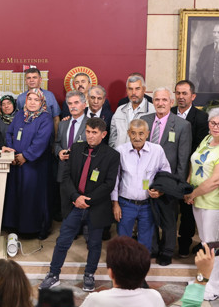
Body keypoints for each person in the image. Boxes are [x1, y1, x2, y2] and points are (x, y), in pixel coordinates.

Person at [40, 117, 120, 292]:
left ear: (103, 134)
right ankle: (53, 274)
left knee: (94, 243)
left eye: (94, 133)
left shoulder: (112, 155)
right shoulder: (76, 148)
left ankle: (89, 275)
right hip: (74, 204)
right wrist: (76, 197)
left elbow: (109, 184)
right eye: (88, 132)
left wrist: (87, 200)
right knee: (63, 241)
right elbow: (66, 176)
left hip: (96, 206)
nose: (90, 136)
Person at [184, 108, 219, 301]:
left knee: (214, 246)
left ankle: (216, 287)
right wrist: (188, 186)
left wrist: (192, 193)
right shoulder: (206, 140)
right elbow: (195, 161)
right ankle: (204, 280)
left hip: (214, 203)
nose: (215, 127)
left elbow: (217, 180)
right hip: (198, 199)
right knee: (205, 244)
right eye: (213, 123)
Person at [142, 88, 191, 266]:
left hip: (169, 182)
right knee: (149, 217)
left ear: (171, 102)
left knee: (169, 220)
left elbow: (183, 160)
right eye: (157, 100)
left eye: (164, 100)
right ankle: (153, 248)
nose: (160, 103)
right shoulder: (144, 121)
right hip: (147, 179)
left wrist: (175, 188)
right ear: (153, 101)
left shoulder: (182, 125)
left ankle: (167, 251)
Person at [111, 120, 171, 253]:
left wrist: (160, 190)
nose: (137, 137)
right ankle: (123, 267)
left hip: (148, 204)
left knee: (145, 241)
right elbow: (115, 179)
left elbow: (166, 173)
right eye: (133, 133)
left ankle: (141, 268)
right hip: (125, 204)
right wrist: (115, 203)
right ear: (128, 133)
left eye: (141, 133)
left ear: (147, 134)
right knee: (123, 240)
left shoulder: (157, 150)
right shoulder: (120, 151)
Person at [3, 89, 54, 238]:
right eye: (29, 99)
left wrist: (25, 156)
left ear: (42, 102)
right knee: (15, 194)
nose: (32, 102)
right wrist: (11, 153)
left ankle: (31, 229)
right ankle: (14, 225)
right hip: (15, 163)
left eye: (36, 100)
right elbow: (9, 133)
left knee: (30, 196)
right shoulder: (19, 115)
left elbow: (41, 141)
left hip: (34, 165)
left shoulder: (46, 118)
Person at [173, 79, 209, 257]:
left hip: (190, 171)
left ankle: (185, 244)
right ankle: (169, 242)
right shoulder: (169, 113)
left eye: (184, 93)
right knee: (171, 209)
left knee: (187, 210)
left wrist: (188, 174)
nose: (180, 97)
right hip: (171, 171)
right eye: (178, 93)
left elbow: (199, 148)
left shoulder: (202, 118)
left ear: (192, 96)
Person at [55, 91, 88, 219]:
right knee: (65, 204)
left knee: (82, 204)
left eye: (76, 103)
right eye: (69, 103)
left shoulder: (90, 123)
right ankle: (69, 231)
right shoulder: (63, 124)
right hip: (64, 170)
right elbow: (56, 143)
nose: (73, 106)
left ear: (84, 105)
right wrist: (59, 152)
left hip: (82, 171)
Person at [109, 74, 153, 148]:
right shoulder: (120, 110)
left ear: (144, 89)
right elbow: (113, 137)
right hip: (119, 156)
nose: (133, 93)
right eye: (130, 89)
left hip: (141, 157)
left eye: (137, 89)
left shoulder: (152, 110)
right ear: (126, 90)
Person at [16, 67, 61, 134]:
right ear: (25, 81)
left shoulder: (49, 96)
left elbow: (56, 119)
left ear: (40, 80)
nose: (31, 80)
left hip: (47, 136)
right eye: (29, 78)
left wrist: (56, 139)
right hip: (27, 137)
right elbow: (19, 120)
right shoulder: (21, 98)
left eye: (34, 77)